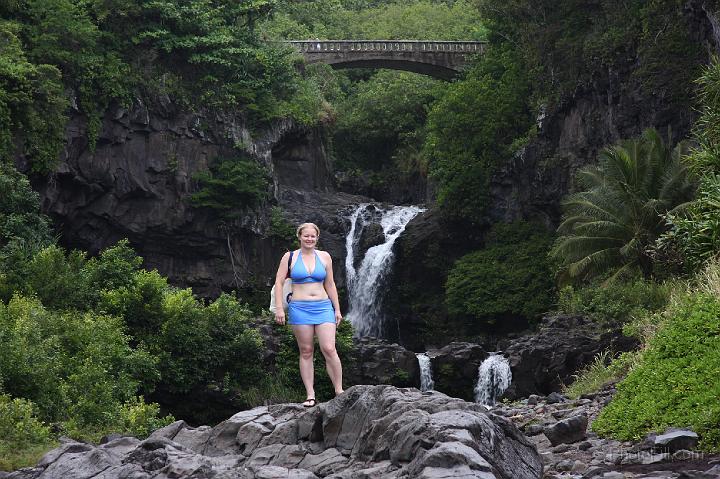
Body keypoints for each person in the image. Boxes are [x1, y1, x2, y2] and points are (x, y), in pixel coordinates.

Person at [274, 222, 344, 407]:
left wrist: (337, 309)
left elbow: (330, 284)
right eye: (306, 236)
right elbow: (279, 282)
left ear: (317, 238)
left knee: (329, 348)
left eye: (313, 236)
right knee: (306, 351)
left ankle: (339, 390)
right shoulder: (289, 257)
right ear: (299, 237)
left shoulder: (325, 257)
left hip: (323, 307)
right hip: (299, 307)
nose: (309, 239)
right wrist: (280, 309)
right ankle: (310, 395)